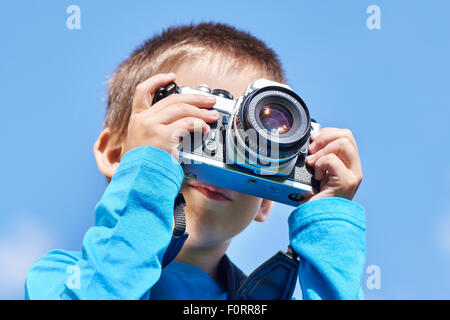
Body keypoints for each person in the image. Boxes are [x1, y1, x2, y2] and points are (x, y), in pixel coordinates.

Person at [25, 22, 365, 300]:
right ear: (117, 155)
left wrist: (329, 223)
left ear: (266, 199)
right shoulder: (58, 278)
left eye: (247, 143)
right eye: (196, 125)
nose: (221, 155)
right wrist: (151, 168)